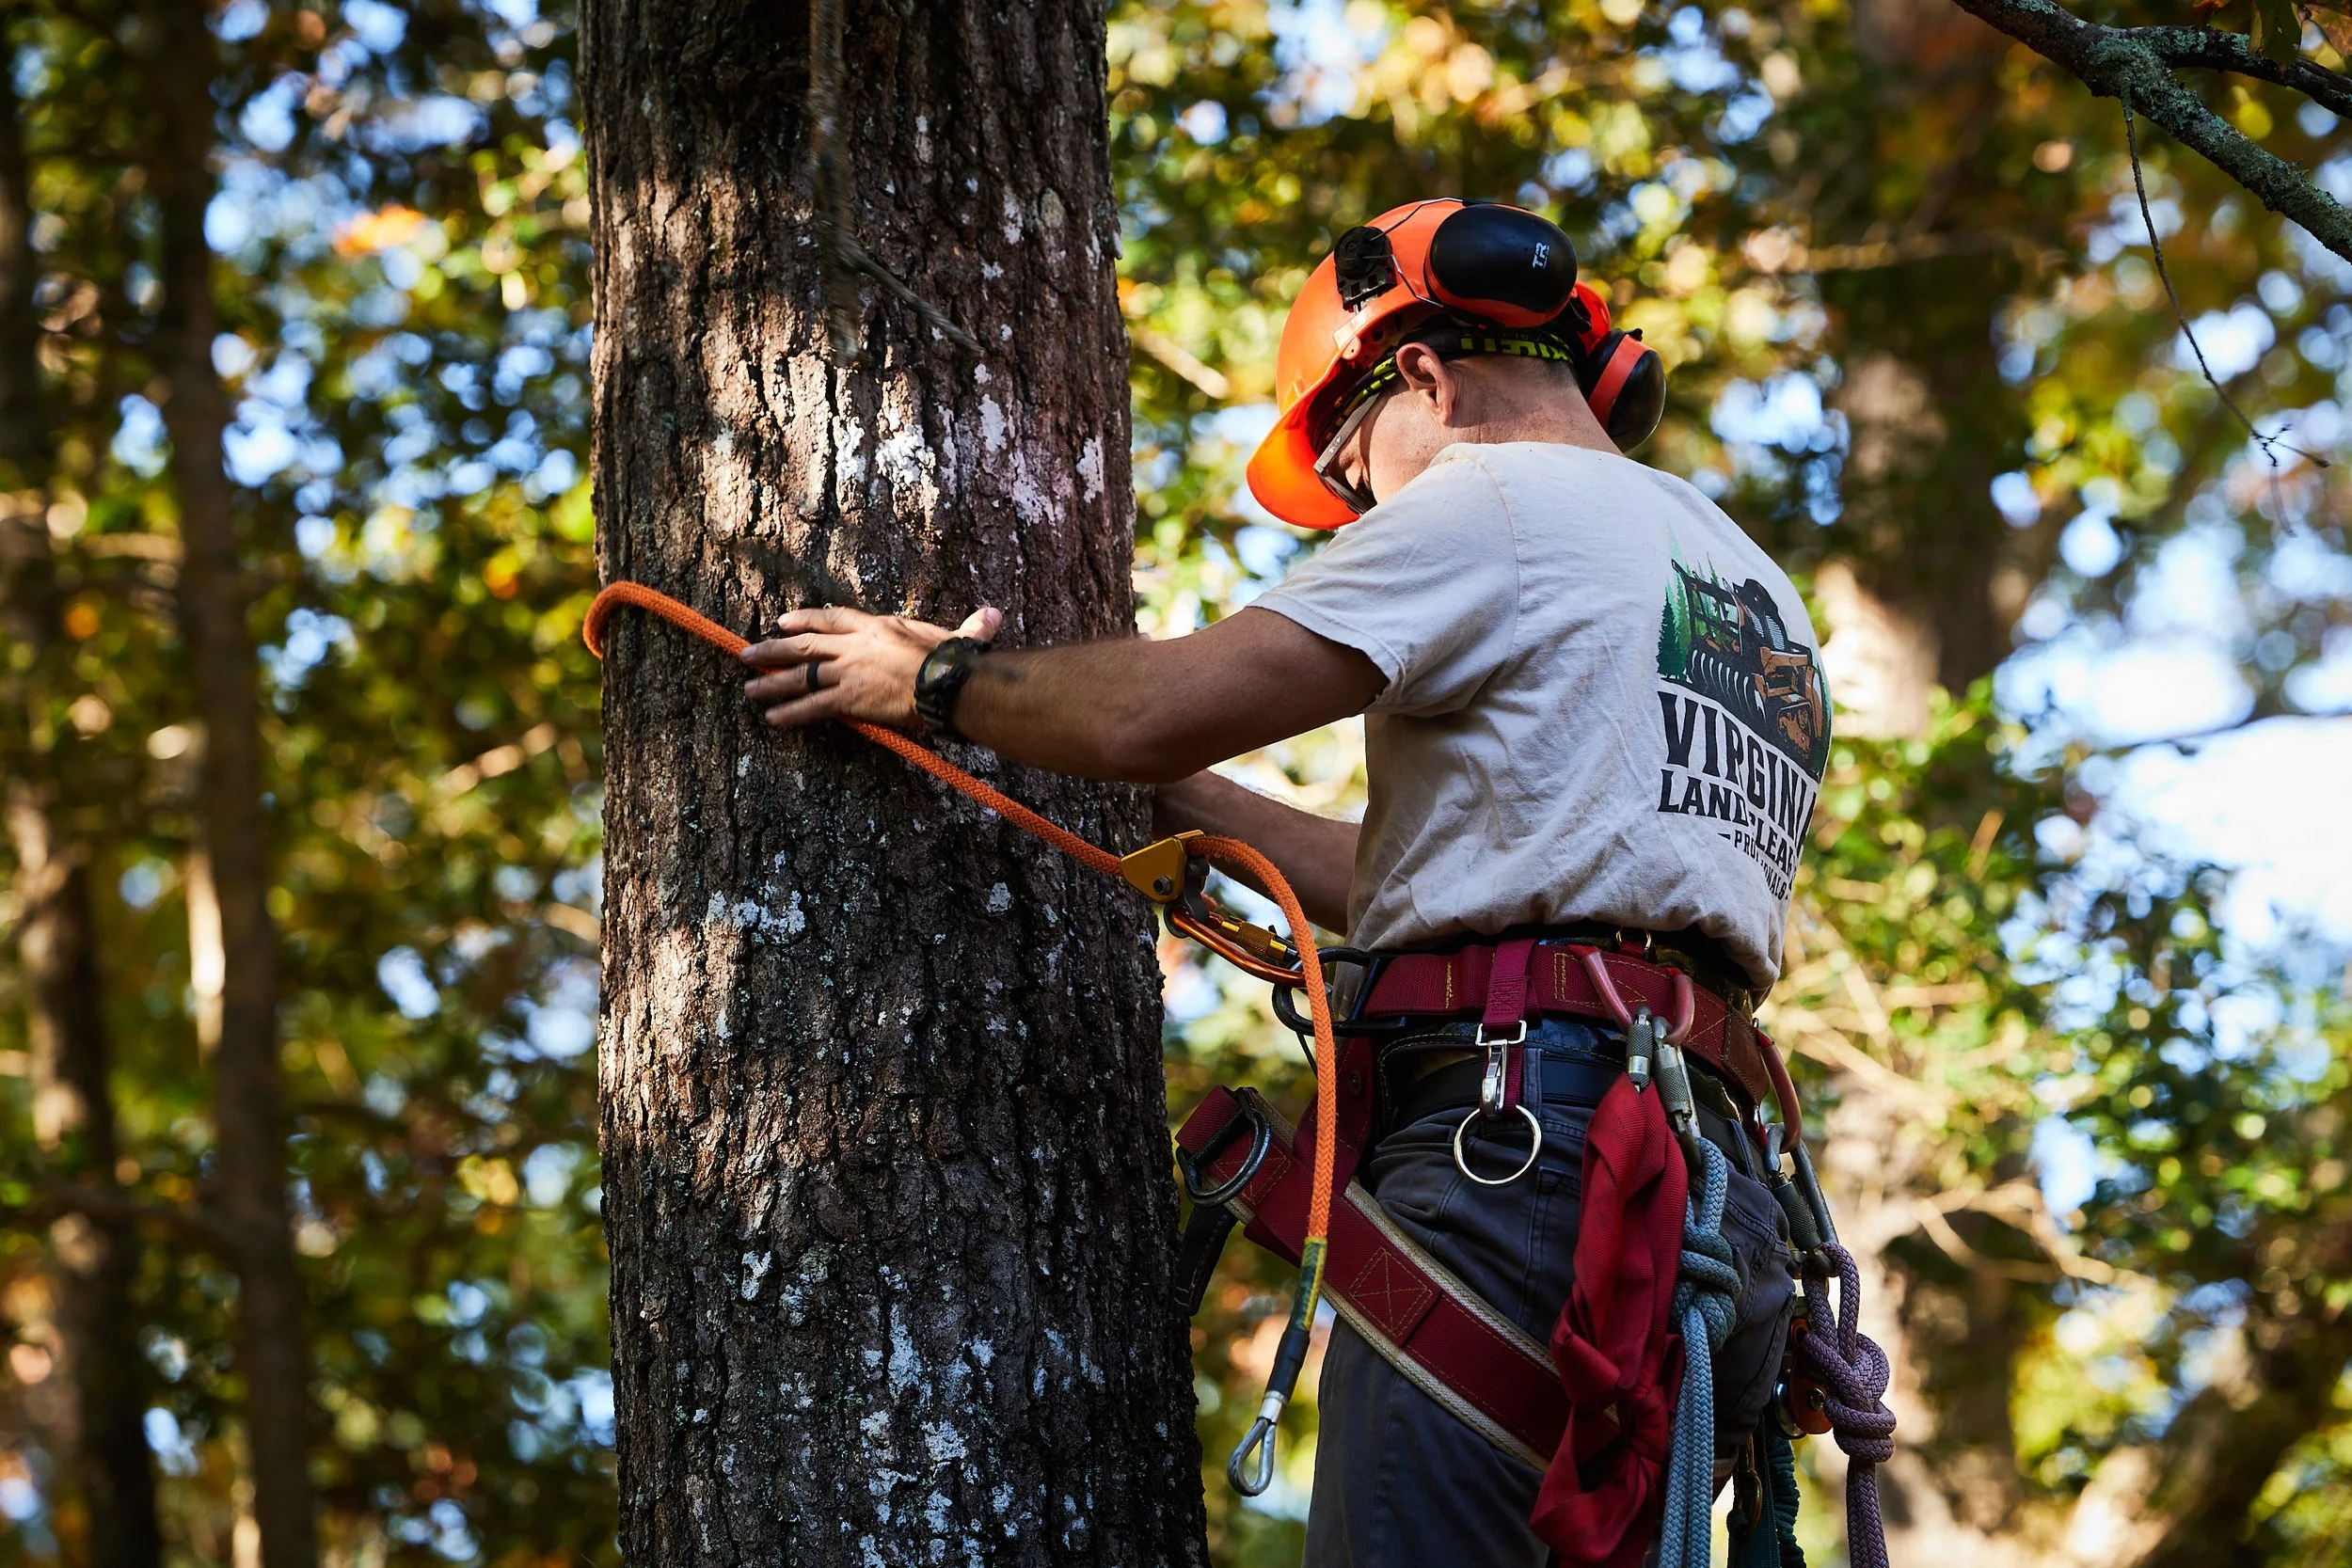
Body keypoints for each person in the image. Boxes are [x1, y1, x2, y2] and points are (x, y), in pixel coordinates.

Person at [739, 198, 1822, 1568]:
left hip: (1528, 1151)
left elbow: (1157, 709)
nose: (1369, 506)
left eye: (1359, 469)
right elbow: (1461, 884)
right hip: (1697, 1185)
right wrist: (1190, 808)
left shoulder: (1492, 498)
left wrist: (936, 680)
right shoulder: (1739, 580)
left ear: (1422, 375)